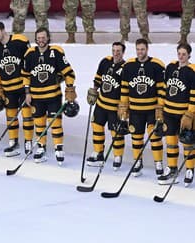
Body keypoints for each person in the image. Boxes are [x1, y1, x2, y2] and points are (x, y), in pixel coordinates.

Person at [22, 27, 76, 164]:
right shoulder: (29, 53)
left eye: (43, 37)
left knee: (56, 123)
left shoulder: (56, 52)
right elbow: (25, 75)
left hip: (53, 96)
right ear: (36, 39)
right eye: (39, 38)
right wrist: (27, 93)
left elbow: (69, 73)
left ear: (48, 38)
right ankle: (41, 147)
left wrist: (69, 88)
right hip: (36, 97)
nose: (41, 40)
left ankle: (58, 147)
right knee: (39, 124)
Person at [118, 39, 166, 178]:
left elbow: (162, 89)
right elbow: (125, 88)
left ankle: (158, 162)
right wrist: (123, 105)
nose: (140, 52)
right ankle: (137, 162)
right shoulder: (129, 66)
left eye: (142, 49)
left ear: (147, 49)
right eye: (138, 49)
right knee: (136, 137)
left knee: (155, 137)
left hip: (152, 110)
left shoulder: (157, 65)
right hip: (135, 111)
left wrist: (160, 107)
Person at [0, 21, 34, 157]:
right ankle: (13, 142)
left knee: (27, 115)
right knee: (11, 117)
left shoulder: (20, 41)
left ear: (3, 31)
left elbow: (31, 61)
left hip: (22, 87)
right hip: (8, 89)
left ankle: (28, 142)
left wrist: (29, 85)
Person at [86, 42, 127, 172]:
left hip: (115, 107)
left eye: (118, 51)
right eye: (114, 50)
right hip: (101, 104)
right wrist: (94, 90)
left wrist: (125, 106)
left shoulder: (126, 68)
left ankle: (117, 156)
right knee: (96, 126)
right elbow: (98, 78)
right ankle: (98, 153)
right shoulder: (105, 62)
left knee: (116, 132)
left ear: (123, 53)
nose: (115, 53)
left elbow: (127, 89)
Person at [158, 43, 195, 185]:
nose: (181, 56)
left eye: (184, 54)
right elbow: (164, 88)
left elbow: (193, 95)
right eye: (179, 53)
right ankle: (172, 167)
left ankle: (189, 169)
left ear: (189, 55)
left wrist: (190, 113)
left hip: (184, 115)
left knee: (187, 142)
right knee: (171, 142)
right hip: (168, 112)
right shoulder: (170, 67)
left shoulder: (192, 71)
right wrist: (160, 107)